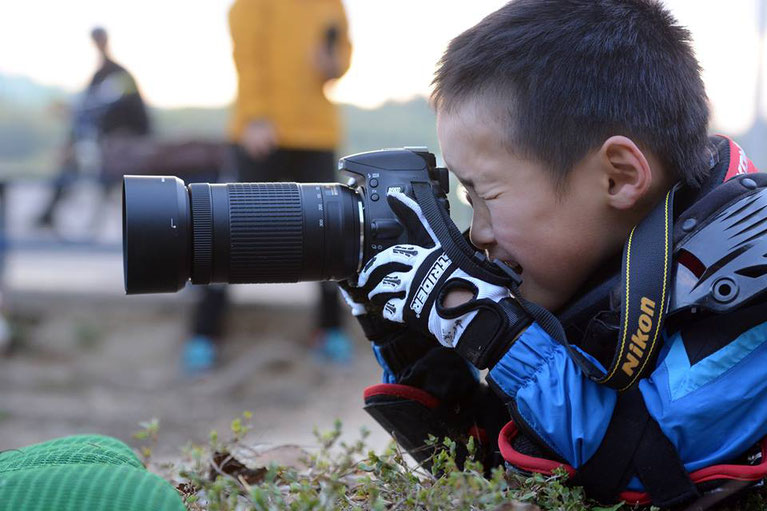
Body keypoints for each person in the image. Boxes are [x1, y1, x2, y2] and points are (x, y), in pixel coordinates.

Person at [342, 0, 767, 508]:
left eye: (486, 196)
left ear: (619, 176)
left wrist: (486, 326)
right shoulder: (616, 271)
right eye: (465, 199)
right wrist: (410, 343)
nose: (476, 235)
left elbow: (646, 465)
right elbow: (511, 461)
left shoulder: (745, 271)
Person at [182, 0, 353, 372]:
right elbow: (247, 55)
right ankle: (204, 335)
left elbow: (341, 58)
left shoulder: (332, 4)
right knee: (225, 230)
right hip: (261, 131)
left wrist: (333, 63)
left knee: (331, 234)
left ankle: (330, 331)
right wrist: (256, 116)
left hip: (317, 133)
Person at [37, 27, 150, 231]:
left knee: (77, 161)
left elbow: (96, 107)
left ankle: (54, 213)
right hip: (108, 143)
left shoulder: (118, 74)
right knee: (72, 157)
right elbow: (88, 108)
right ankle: (53, 212)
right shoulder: (103, 74)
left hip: (123, 144)